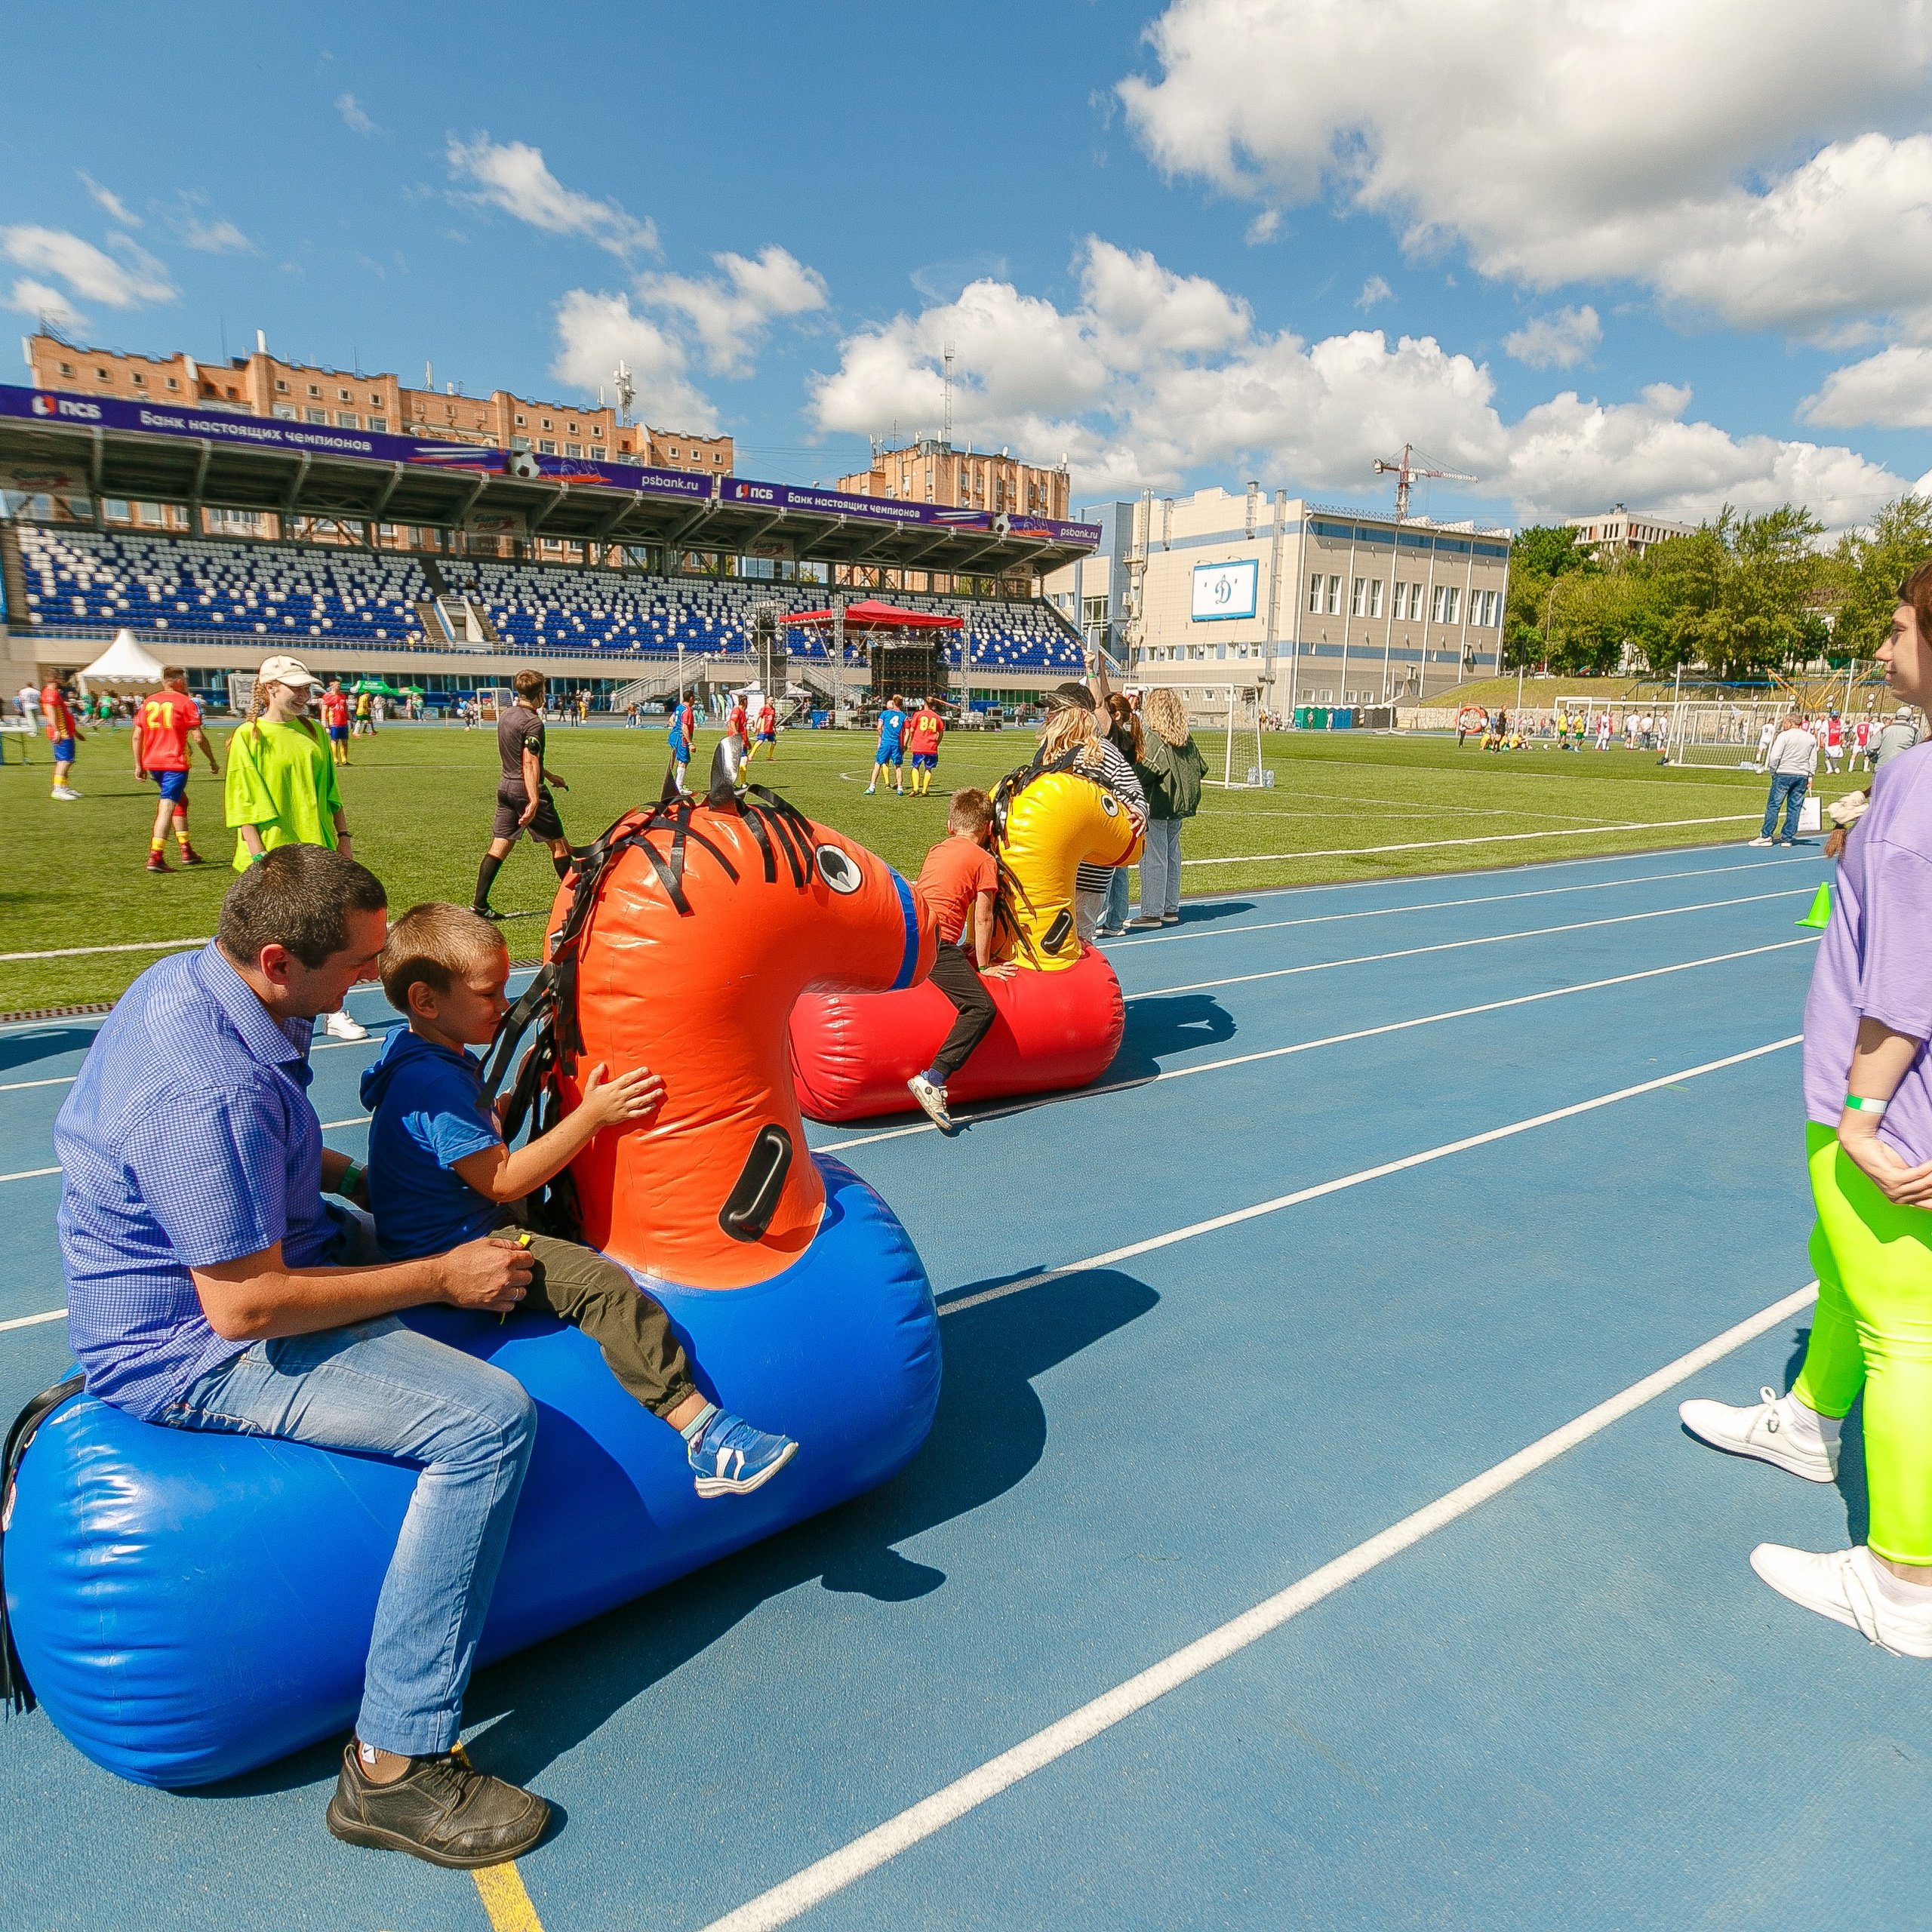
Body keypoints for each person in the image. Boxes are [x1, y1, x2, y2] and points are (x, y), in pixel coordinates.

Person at [54, 845, 553, 1864]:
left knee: (432, 1250)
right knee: (488, 1420)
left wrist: (358, 1180)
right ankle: (393, 1765)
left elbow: (268, 1150)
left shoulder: (201, 980)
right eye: (357, 966)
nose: (372, 981)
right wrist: (441, 1277)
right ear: (279, 959)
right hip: (190, 1348)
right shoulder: (204, 1088)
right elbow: (245, 1309)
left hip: (272, 1256)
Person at [1679, 562, 1932, 1660]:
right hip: (1889, 1092)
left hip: (1887, 1101)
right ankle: (1812, 1422)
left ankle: (1902, 1582)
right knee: (1842, 1268)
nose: (1881, 651)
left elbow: (1911, 976)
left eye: (1899, 626)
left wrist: (1867, 1113)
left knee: (1907, 1332)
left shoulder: (1925, 780)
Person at [361, 903, 798, 1491]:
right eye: (490, 995)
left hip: (447, 1221)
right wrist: (593, 1116)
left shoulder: (417, 1054)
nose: (504, 1006)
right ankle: (705, 1436)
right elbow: (503, 1179)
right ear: (427, 1001)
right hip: (459, 1246)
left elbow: (466, 1136)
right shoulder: (435, 1080)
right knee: (604, 1289)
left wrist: (523, 1092)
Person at [226, 655, 368, 1042]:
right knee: (273, 942)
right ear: (271, 688)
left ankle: (336, 1010)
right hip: (272, 856)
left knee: (330, 937)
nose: (306, 695)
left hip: (318, 850)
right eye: (296, 688)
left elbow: (330, 793)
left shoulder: (314, 731)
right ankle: (265, 1016)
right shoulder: (248, 736)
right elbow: (244, 803)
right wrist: (260, 861)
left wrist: (343, 842)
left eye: (307, 687)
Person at [904, 789, 1016, 1131]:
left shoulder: (939, 848)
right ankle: (934, 1078)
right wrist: (984, 965)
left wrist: (962, 947)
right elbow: (982, 916)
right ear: (988, 828)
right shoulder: (984, 860)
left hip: (910, 932)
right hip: (933, 942)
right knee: (982, 1008)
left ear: (952, 825)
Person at [472, 669, 573, 921]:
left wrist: (548, 775)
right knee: (560, 846)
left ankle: (479, 905)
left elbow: (521, 757)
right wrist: (535, 798)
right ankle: (576, 900)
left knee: (499, 845)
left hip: (505, 787)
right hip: (525, 790)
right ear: (541, 693)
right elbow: (528, 763)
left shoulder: (506, 715)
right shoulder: (533, 723)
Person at [1128, 686, 1207, 930]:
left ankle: (1152, 911)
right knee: (1172, 855)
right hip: (1178, 806)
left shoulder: (1155, 736)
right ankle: (1170, 907)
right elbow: (1201, 767)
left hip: (1157, 804)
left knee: (1154, 857)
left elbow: (1146, 770)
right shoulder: (1185, 738)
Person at [133, 666, 218, 873]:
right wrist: (212, 761)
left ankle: (186, 850)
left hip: (153, 762)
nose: (187, 684)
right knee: (167, 806)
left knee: (181, 801)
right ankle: (156, 856)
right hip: (174, 762)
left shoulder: (149, 702)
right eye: (185, 680)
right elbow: (198, 737)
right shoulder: (185, 702)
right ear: (178, 682)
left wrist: (138, 764)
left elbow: (137, 735)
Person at [1099, 694, 1143, 933]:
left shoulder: (1116, 739)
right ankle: (1115, 920)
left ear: (1115, 715)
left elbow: (1100, 706)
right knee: (1120, 870)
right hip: (1125, 808)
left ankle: (1104, 916)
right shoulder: (1128, 739)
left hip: (1112, 809)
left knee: (1104, 867)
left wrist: (1091, 671)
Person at [1748, 713, 1817, 847]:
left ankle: (1766, 835)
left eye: (1785, 722)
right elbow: (1813, 759)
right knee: (1794, 807)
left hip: (1784, 773)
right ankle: (1787, 837)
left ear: (1790, 723)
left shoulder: (1784, 736)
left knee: (1774, 805)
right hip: (1801, 775)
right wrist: (1810, 775)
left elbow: (1775, 756)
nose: (1783, 724)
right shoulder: (1810, 738)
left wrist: (1773, 771)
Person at [41, 674, 85, 801]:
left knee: (68, 760)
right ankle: (58, 789)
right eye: (61, 679)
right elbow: (51, 712)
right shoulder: (51, 693)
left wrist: (75, 732)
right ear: (54, 680)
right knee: (64, 761)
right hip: (62, 732)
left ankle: (63, 787)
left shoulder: (55, 693)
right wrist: (56, 730)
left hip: (67, 732)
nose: (63, 682)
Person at [866, 694, 907, 795]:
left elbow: (879, 727)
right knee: (898, 766)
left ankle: (872, 787)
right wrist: (904, 745)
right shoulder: (904, 716)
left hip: (886, 742)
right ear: (902, 704)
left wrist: (882, 736)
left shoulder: (885, 714)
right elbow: (908, 732)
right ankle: (900, 788)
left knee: (878, 764)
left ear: (893, 702)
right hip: (896, 743)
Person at [905, 697, 946, 797]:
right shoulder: (936, 717)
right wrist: (937, 742)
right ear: (933, 705)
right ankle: (924, 790)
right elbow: (941, 732)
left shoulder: (918, 714)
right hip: (931, 746)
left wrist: (912, 740)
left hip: (919, 745)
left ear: (924, 704)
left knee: (915, 766)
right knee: (928, 769)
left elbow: (911, 730)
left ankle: (915, 789)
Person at [1873, 705, 1922, 773]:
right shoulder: (1914, 731)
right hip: (1902, 768)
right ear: (1910, 718)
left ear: (1896, 716)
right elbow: (1919, 751)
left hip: (1882, 766)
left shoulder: (1885, 730)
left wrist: (1876, 759)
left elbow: (1871, 748)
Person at [666, 691, 697, 792]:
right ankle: (679, 787)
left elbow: (671, 720)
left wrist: (676, 728)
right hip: (682, 737)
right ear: (691, 698)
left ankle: (679, 784)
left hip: (675, 735)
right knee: (683, 761)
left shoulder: (679, 707)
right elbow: (684, 727)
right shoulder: (687, 710)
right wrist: (690, 743)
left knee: (686, 759)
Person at [321, 678, 352, 766]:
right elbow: (324, 710)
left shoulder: (343, 696)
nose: (339, 686)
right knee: (335, 740)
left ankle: (344, 759)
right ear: (332, 686)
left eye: (340, 685)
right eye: (338, 685)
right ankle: (335, 759)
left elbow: (345, 708)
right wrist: (324, 722)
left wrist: (350, 718)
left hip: (343, 722)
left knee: (345, 741)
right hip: (333, 722)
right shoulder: (327, 696)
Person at [755, 694, 779, 761]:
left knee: (774, 742)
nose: (772, 702)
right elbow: (758, 717)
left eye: (773, 700)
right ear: (767, 701)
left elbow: (772, 720)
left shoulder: (773, 709)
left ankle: (769, 756)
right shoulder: (764, 708)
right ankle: (750, 756)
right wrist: (755, 727)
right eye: (771, 700)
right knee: (760, 741)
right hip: (764, 729)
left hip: (770, 730)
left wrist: (774, 728)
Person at [1824, 709, 1844, 774]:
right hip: (1828, 742)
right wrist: (1821, 741)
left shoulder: (1841, 722)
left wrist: (1843, 739)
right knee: (1827, 756)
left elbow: (1842, 732)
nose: (1834, 718)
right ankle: (1829, 769)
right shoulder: (1826, 722)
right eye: (1833, 716)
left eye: (1836, 716)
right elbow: (1822, 733)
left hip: (1837, 743)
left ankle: (1835, 767)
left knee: (1836, 755)